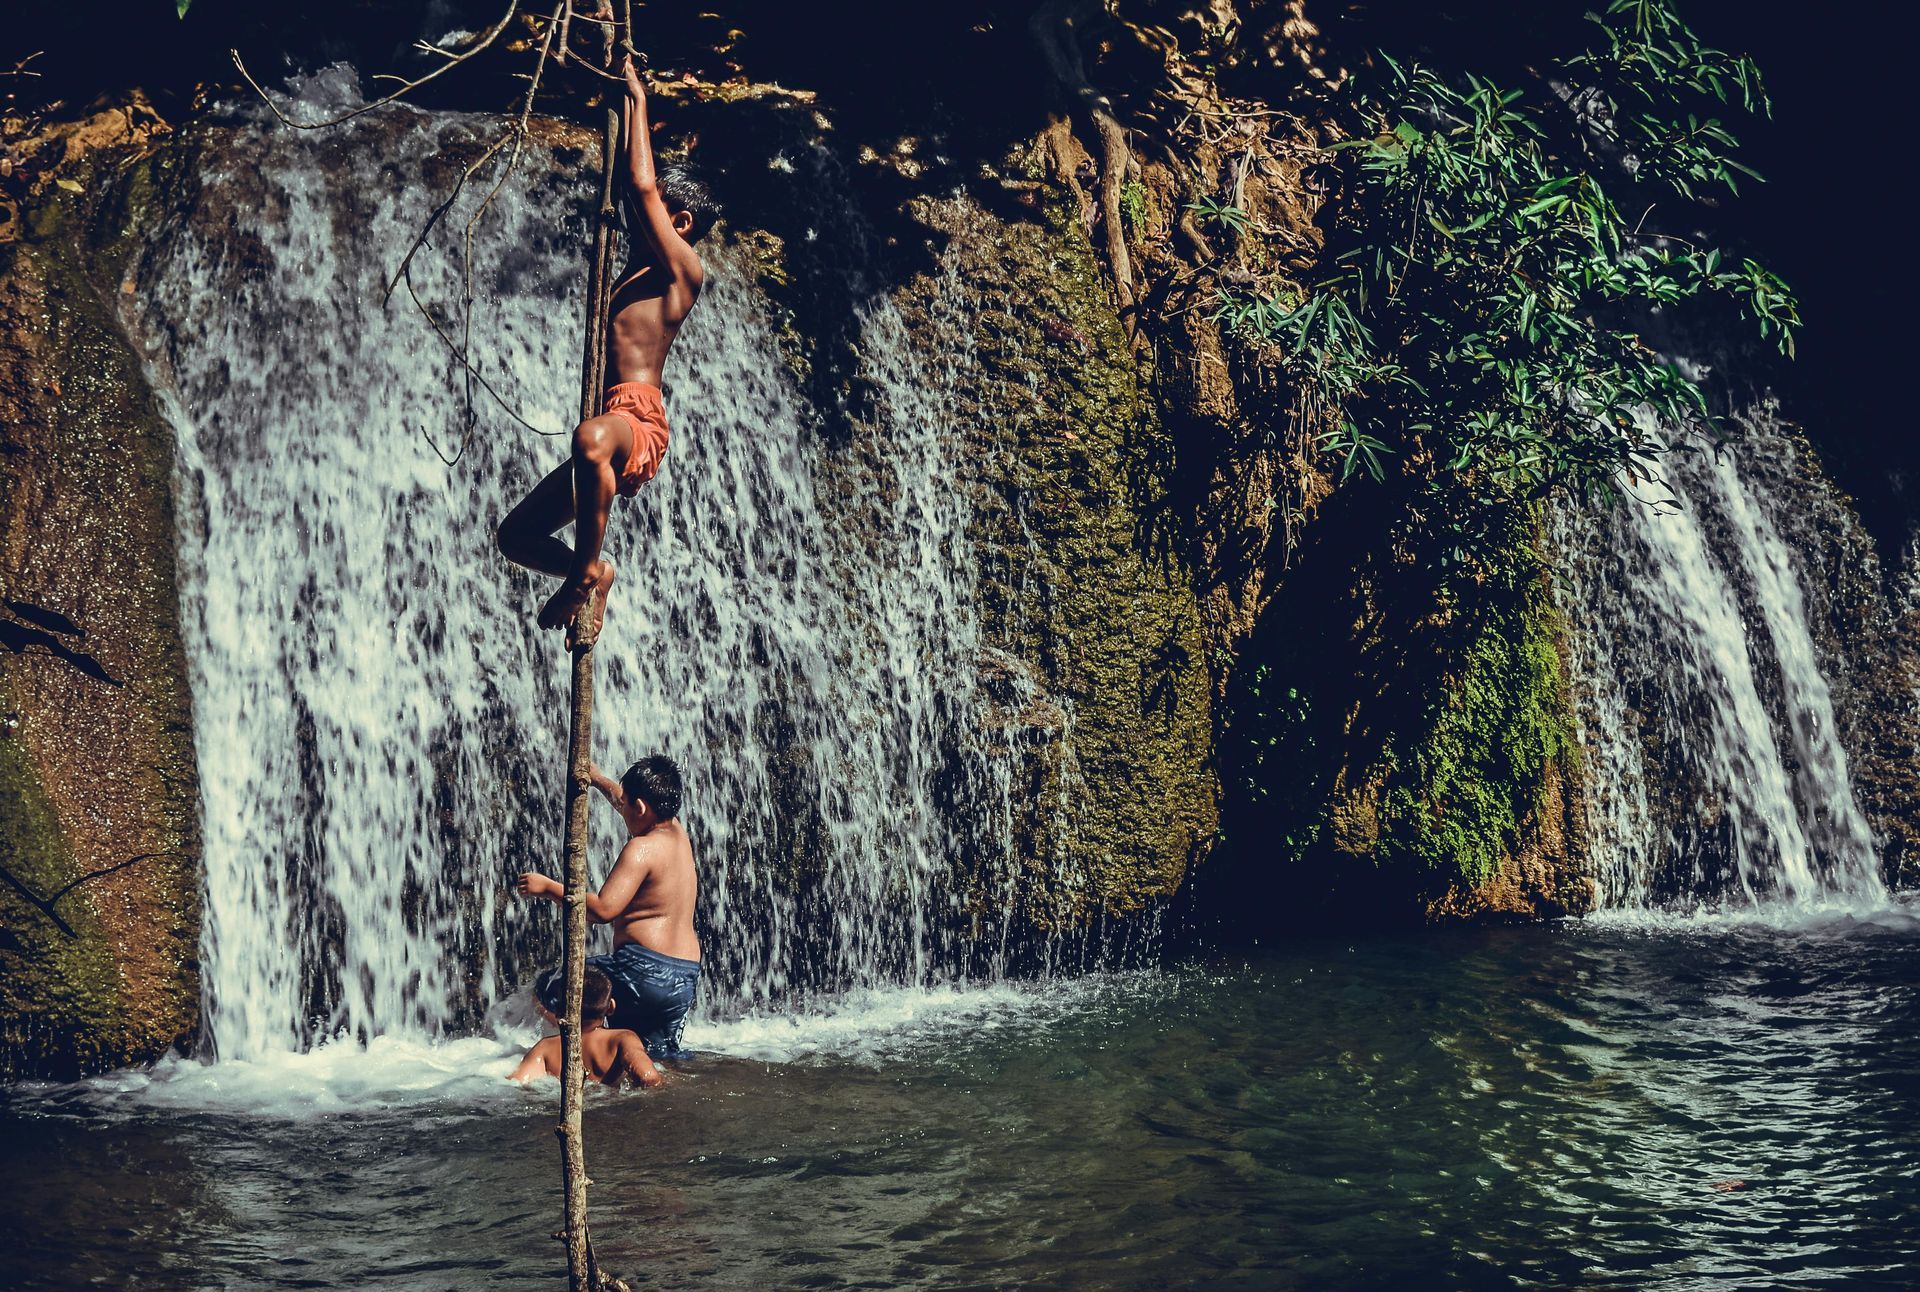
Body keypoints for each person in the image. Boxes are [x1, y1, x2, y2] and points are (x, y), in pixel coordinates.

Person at [496, 53, 719, 645]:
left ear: (683, 221)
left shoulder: (682, 271)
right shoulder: (636, 268)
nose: (639, 213)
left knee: (591, 438)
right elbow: (632, 183)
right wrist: (615, 106)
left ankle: (585, 570)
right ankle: (589, 571)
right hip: (609, 422)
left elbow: (643, 183)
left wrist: (639, 99)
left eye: (658, 215)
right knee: (515, 536)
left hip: (635, 420)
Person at [517, 754, 701, 1058]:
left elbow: (603, 909)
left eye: (627, 804)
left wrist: (548, 888)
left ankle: (580, 1056)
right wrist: (598, 778)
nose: (621, 808)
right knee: (653, 1054)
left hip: (641, 970)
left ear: (640, 807)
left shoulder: (641, 848)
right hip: (683, 977)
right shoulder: (678, 834)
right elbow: (622, 799)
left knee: (551, 988)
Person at [508, 966, 663, 1089]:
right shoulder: (622, 1039)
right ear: (611, 1007)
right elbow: (649, 1078)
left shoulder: (546, 1047)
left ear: (561, 1011)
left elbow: (514, 1084)